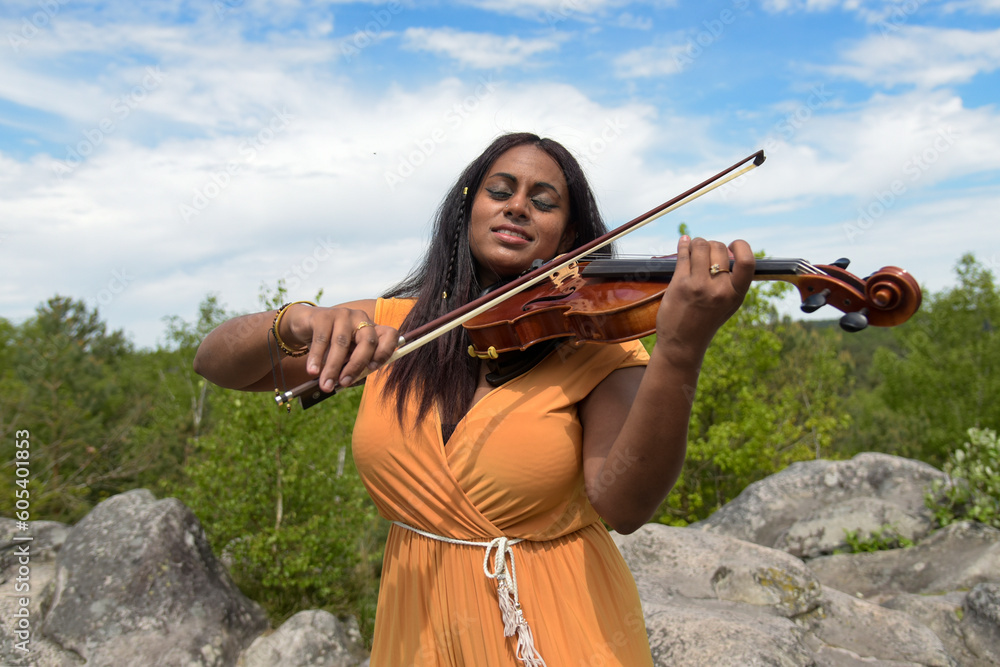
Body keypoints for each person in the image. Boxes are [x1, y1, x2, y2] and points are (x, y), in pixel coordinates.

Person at [193, 132, 754, 666]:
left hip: (554, 629)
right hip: (416, 627)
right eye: (500, 191)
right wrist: (295, 321)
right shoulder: (394, 326)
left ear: (569, 237)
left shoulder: (598, 345)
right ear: (467, 211)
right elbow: (215, 363)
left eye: (544, 202)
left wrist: (680, 349)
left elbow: (625, 508)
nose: (518, 207)